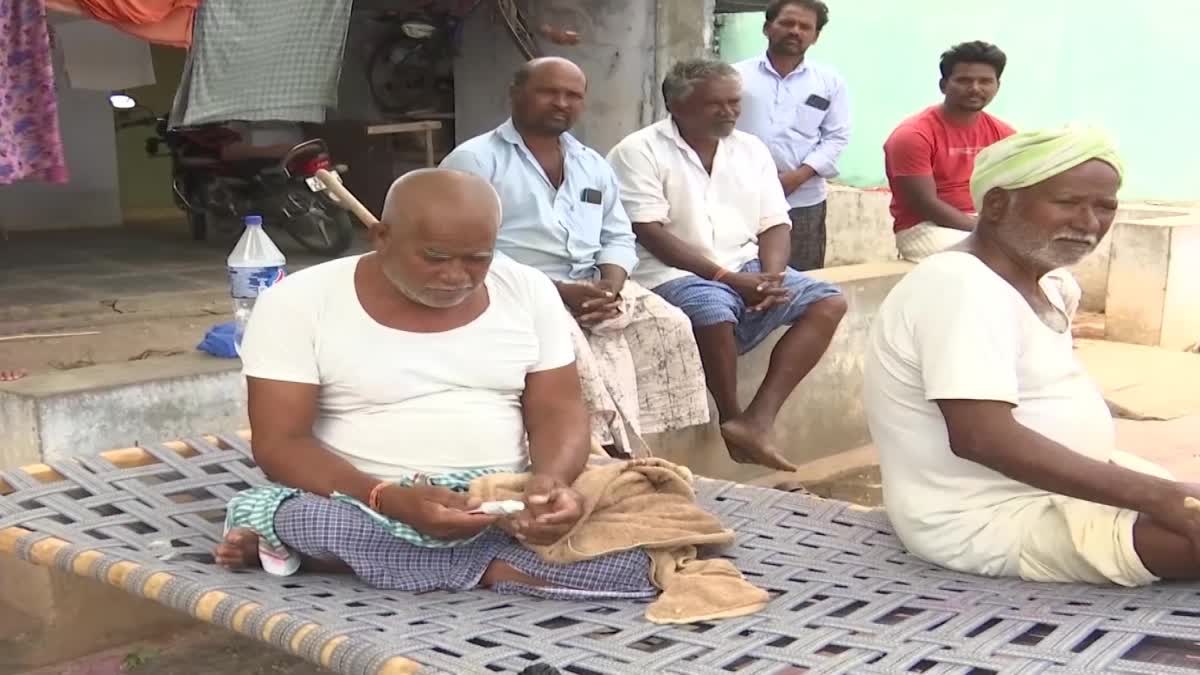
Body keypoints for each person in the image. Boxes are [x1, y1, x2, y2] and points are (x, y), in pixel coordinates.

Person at [214, 169, 656, 600]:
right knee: (306, 519)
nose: (457, 276)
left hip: (500, 501)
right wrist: (386, 498)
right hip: (364, 502)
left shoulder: (528, 289)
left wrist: (551, 485)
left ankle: (361, 562)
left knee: (648, 537)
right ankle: (497, 569)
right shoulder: (298, 302)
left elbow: (558, 409)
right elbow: (279, 444)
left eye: (478, 259)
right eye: (436, 257)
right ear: (381, 237)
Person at [865, 127, 1200, 587]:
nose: (1089, 222)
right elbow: (983, 438)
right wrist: (1159, 498)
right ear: (998, 204)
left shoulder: (1050, 286)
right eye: (1067, 202)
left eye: (1105, 207)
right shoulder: (960, 286)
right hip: (983, 519)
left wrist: (1159, 495)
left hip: (1051, 495)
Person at [441, 57, 709, 454]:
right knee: (569, 343)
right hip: (514, 287)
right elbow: (466, 248)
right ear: (516, 94)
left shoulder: (590, 163)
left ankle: (635, 440)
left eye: (573, 95)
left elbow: (617, 233)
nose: (561, 103)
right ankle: (596, 451)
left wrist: (610, 286)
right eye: (549, 92)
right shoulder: (476, 160)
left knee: (669, 323)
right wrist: (560, 291)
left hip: (591, 285)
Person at [607, 59, 847, 472]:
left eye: (734, 102)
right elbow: (649, 232)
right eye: (714, 104)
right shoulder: (638, 151)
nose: (729, 112)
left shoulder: (751, 148)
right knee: (713, 311)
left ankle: (758, 420)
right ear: (676, 106)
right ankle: (732, 416)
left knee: (829, 302)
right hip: (670, 271)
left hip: (744, 261)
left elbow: (775, 221)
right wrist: (728, 278)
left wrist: (770, 277)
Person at [734, 0, 850, 271]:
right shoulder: (735, 76)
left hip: (802, 199)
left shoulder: (829, 82)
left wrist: (797, 177)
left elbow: (836, 137)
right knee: (742, 272)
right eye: (787, 23)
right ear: (767, 28)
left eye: (805, 26)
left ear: (816, 36)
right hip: (741, 195)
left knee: (803, 277)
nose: (795, 31)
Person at [883, 41, 1015, 262]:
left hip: (983, 223)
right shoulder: (912, 135)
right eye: (964, 80)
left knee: (1059, 279)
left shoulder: (1004, 134)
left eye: (985, 81)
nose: (975, 88)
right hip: (925, 228)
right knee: (991, 264)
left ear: (997, 86)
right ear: (944, 85)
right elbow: (926, 206)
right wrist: (987, 230)